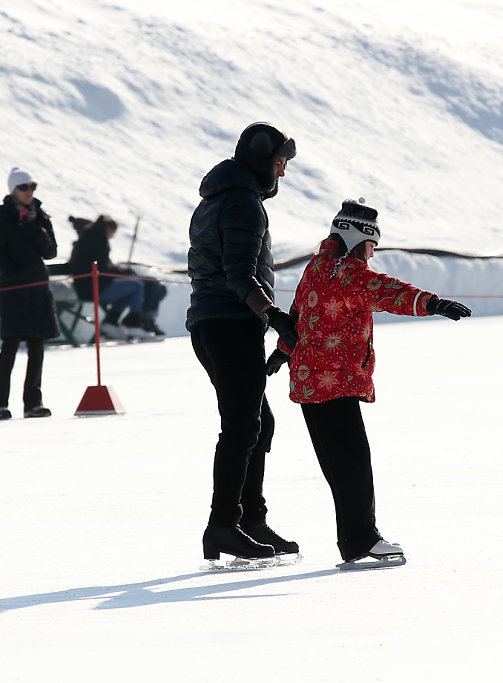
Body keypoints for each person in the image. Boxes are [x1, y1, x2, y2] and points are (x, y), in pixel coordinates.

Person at [268, 198, 471, 567]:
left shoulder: (316, 267)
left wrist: (283, 351)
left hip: (309, 383)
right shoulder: (348, 272)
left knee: (338, 465)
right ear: (357, 239)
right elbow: (388, 290)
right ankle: (362, 538)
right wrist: (433, 303)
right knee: (353, 462)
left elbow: (299, 315)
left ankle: (353, 539)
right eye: (371, 247)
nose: (372, 255)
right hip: (337, 381)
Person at [187, 122, 300, 563]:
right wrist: (273, 316)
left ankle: (250, 520)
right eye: (279, 163)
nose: (283, 174)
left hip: (211, 324)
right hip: (230, 325)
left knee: (258, 422)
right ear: (261, 162)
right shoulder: (243, 204)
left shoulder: (216, 199)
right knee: (242, 427)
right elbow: (238, 273)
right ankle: (223, 526)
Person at [0, 168, 61, 420]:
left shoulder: (39, 216)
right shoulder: (2, 216)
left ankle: (33, 403)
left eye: (32, 187)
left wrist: (34, 230)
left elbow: (51, 252)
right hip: (14, 290)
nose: (29, 192)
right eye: (24, 187)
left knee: (37, 347)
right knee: (9, 347)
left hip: (38, 290)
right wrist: (13, 274)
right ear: (13, 190)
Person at [68, 215, 167, 338]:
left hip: (97, 283)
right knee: (136, 286)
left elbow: (103, 265)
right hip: (91, 287)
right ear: (108, 228)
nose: (113, 235)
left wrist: (120, 272)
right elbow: (101, 268)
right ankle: (134, 324)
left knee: (150, 286)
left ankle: (115, 321)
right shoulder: (94, 241)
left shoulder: (93, 238)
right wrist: (121, 273)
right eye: (113, 232)